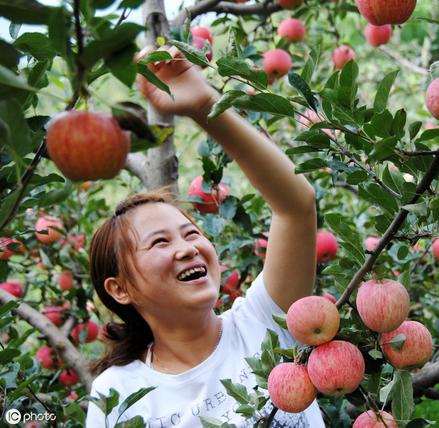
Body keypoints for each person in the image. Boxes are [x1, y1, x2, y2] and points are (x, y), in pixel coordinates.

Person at [85, 45, 322, 427]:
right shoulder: (118, 392)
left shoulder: (263, 323)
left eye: (191, 233)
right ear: (119, 289)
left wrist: (204, 106)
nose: (187, 249)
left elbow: (296, 205)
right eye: (160, 242)